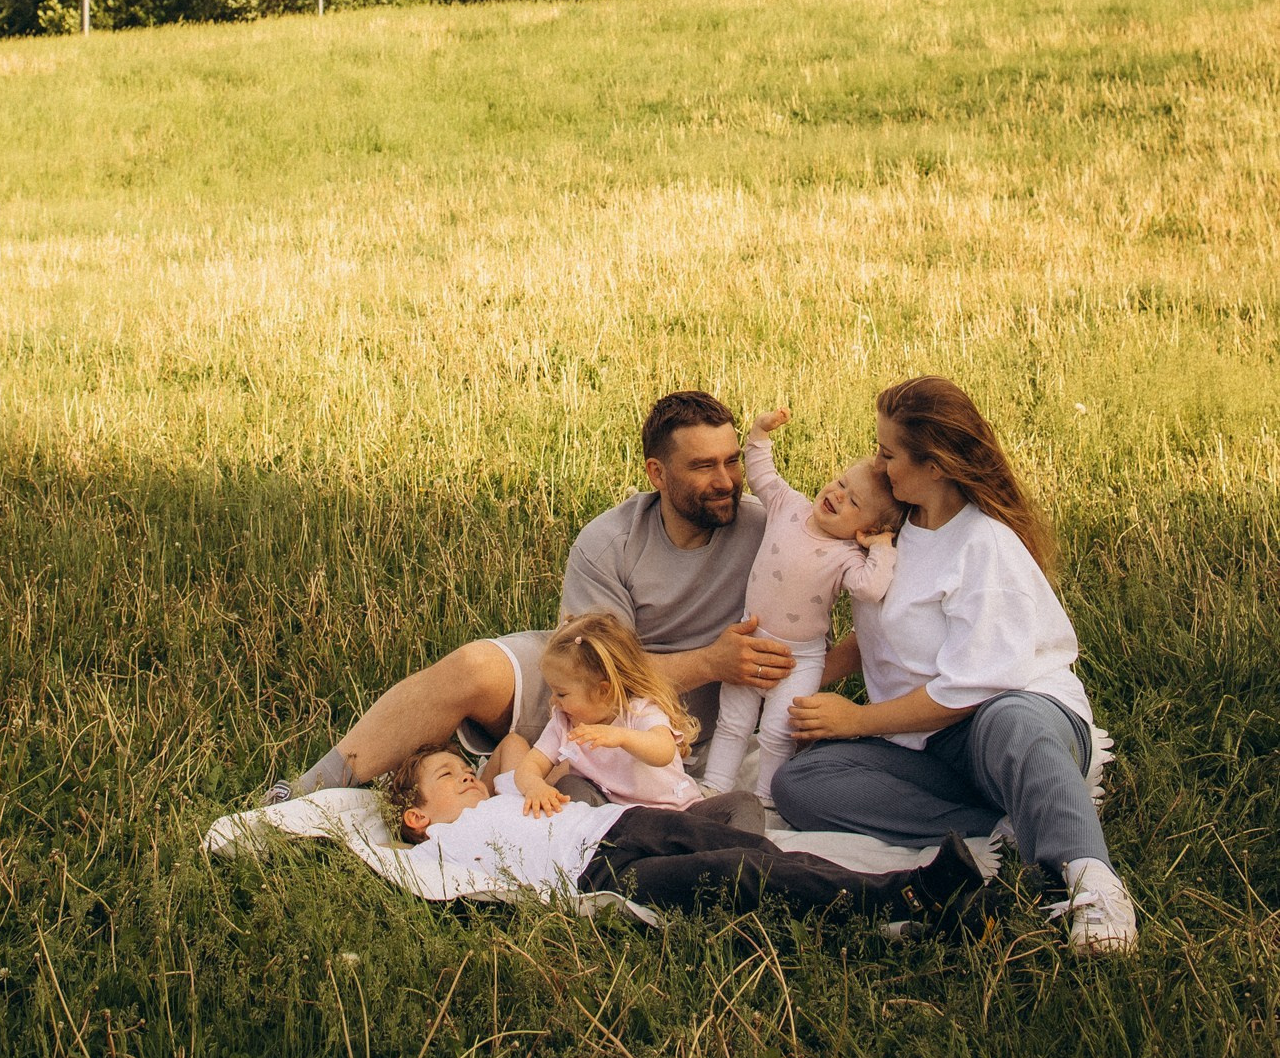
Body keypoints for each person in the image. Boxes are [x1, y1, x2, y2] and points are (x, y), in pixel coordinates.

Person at [771, 374, 1139, 955]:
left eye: (888, 453)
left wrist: (855, 721)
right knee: (802, 781)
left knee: (1010, 723)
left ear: (934, 465)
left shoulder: (983, 545)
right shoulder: (895, 530)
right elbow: (879, 638)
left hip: (1008, 717)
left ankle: (1092, 882)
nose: (878, 463)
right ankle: (1002, 823)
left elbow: (969, 693)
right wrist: (794, 679)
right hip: (930, 743)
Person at [279, 391, 792, 799]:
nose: (726, 481)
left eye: (731, 461)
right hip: (581, 689)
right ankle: (306, 792)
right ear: (657, 474)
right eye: (704, 466)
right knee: (472, 668)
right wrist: (711, 662)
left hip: (664, 721)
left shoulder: (764, 528)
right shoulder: (609, 542)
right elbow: (597, 670)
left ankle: (482, 768)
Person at [386, 748, 989, 927]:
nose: (466, 774)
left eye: (463, 767)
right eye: (446, 774)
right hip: (599, 878)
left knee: (758, 852)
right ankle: (903, 895)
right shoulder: (439, 850)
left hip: (616, 824)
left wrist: (506, 775)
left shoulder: (507, 794)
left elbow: (515, 751)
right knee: (733, 874)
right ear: (416, 816)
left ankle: (905, 909)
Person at [700, 410, 902, 805]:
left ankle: (767, 801)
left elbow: (871, 589)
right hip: (751, 640)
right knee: (734, 721)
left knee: (779, 730)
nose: (837, 495)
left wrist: (881, 550)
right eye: (841, 483)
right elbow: (762, 474)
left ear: (868, 529)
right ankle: (714, 788)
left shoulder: (847, 556)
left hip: (802, 658)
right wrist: (759, 435)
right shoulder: (788, 505)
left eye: (853, 502)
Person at [499, 609, 703, 815]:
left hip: (679, 812)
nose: (553, 701)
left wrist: (621, 736)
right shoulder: (565, 723)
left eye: (561, 694)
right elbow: (530, 765)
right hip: (617, 819)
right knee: (570, 784)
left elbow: (663, 751)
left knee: (735, 805)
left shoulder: (639, 710)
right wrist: (535, 786)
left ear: (603, 692)